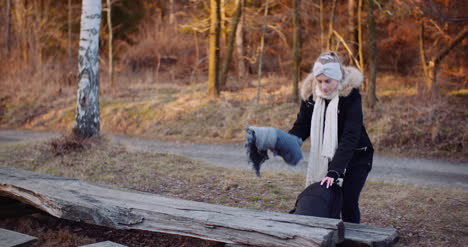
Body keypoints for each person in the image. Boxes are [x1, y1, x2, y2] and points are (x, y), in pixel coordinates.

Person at [288, 51, 373, 224]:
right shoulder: (311, 96)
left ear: (339, 78)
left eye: (328, 81)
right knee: (327, 199)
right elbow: (302, 126)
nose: (323, 86)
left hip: (357, 154)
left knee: (347, 201)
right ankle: (328, 235)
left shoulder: (350, 96)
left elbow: (351, 136)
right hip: (327, 155)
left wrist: (335, 170)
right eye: (319, 81)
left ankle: (353, 240)